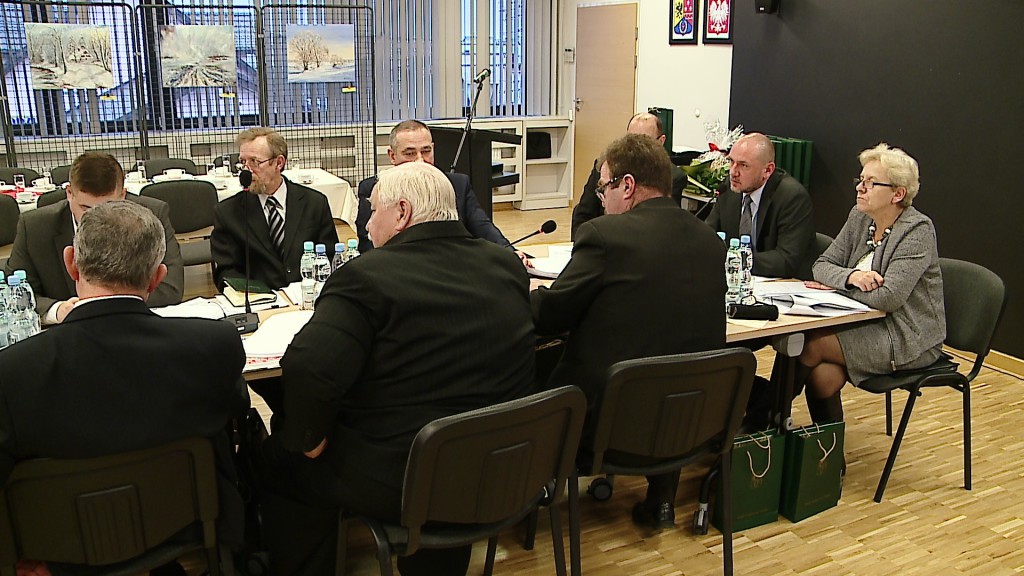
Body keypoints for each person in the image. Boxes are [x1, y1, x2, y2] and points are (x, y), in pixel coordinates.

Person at [258, 161, 536, 576]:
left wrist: (309, 439)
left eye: (373, 211)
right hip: (503, 463)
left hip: (407, 477)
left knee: (278, 457)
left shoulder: (365, 277)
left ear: (402, 212)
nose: (367, 225)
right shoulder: (506, 265)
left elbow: (308, 368)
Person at [0, 201, 248, 574]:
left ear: (72, 264)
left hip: (57, 550)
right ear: (158, 277)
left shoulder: (13, 372)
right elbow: (235, 414)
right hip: (184, 525)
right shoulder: (214, 346)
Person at [532, 133, 726, 529]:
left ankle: (526, 496)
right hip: (691, 423)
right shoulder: (710, 242)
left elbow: (551, 315)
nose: (602, 200)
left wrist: (524, 290)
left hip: (608, 429)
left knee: (536, 364)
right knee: (669, 361)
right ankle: (662, 500)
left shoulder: (606, 236)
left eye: (604, 188)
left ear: (628, 185)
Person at [796, 143, 945, 427]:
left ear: (897, 194)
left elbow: (889, 298)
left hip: (907, 336)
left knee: (811, 344)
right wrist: (852, 277)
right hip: (864, 321)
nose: (859, 188)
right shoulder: (860, 216)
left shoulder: (917, 230)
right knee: (822, 376)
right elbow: (821, 266)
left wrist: (839, 285)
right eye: (860, 180)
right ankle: (827, 452)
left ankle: (761, 418)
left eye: (871, 183)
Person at [4, 152, 183, 324]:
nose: (95, 218)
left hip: (133, 325)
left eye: (108, 206)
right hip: (64, 332)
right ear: (69, 193)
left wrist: (104, 308)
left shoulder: (151, 216)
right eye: (85, 208)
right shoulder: (35, 227)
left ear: (123, 195)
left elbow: (170, 287)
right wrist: (57, 310)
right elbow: (14, 293)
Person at [353, 119, 512, 253]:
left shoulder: (458, 184)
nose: (420, 160)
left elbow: (484, 228)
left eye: (426, 151)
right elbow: (367, 245)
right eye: (410, 153)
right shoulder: (373, 189)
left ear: (433, 149)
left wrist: (511, 253)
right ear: (392, 156)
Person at [211, 127, 338, 290]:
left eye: (254, 162)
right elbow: (226, 273)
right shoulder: (228, 213)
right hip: (259, 298)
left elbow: (330, 258)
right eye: (243, 162)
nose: (246, 170)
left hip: (306, 294)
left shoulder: (314, 203)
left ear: (279, 163)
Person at [705, 132, 816, 279]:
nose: (733, 172)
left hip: (781, 284)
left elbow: (786, 260)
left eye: (744, 165)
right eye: (731, 161)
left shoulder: (792, 197)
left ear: (768, 170)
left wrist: (735, 260)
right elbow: (708, 235)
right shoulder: (730, 188)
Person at [570, 112, 688, 239]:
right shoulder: (605, 168)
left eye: (644, 141)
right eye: (630, 140)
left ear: (661, 141)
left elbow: (663, 226)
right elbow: (582, 215)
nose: (635, 148)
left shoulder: (672, 177)